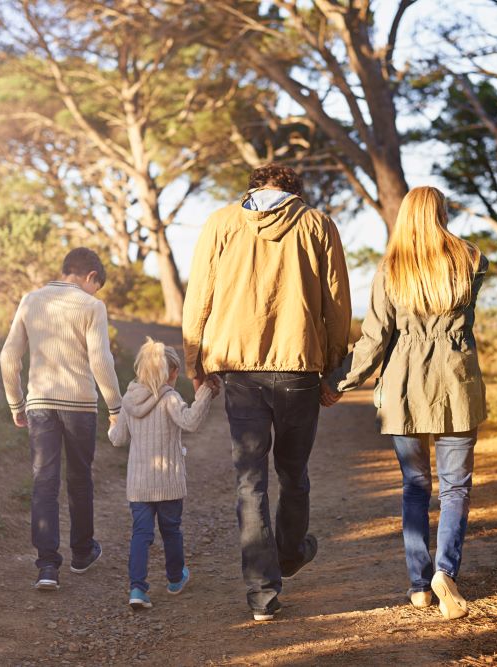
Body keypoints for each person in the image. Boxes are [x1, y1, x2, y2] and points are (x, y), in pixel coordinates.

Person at [182, 163, 352, 621]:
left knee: (249, 481)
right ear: (296, 191)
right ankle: (291, 555)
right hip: (298, 368)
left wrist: (194, 361)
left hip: (240, 371)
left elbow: (199, 294)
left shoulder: (221, 222)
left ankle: (261, 594)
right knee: (293, 472)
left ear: (255, 187)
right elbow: (337, 303)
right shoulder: (318, 225)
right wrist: (335, 371)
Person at [324, 186, 489, 620]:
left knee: (415, 486)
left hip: (404, 389)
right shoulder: (471, 260)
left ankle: (419, 585)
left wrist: (339, 382)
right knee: (455, 488)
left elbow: (375, 338)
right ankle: (445, 571)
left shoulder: (390, 270)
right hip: (457, 384)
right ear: (443, 213)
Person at [0, 247, 123, 591]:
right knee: (80, 478)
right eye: (96, 285)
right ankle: (82, 553)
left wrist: (16, 404)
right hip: (80, 405)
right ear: (90, 277)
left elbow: (8, 356)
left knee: (44, 481)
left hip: (39, 404)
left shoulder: (30, 300)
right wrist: (115, 408)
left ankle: (47, 567)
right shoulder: (91, 306)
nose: (95, 292)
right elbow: (101, 361)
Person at [108, 338, 218, 610]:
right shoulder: (170, 398)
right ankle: (174, 579)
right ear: (168, 373)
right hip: (167, 482)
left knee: (140, 534)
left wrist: (111, 425)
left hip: (139, 484)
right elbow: (190, 422)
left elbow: (118, 439)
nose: (176, 376)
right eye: (175, 371)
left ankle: (137, 588)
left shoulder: (128, 399)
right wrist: (205, 393)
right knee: (171, 531)